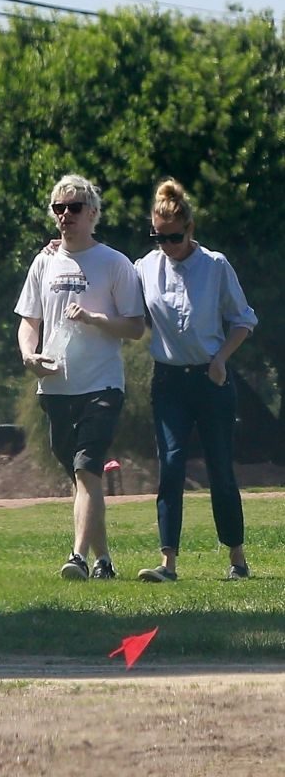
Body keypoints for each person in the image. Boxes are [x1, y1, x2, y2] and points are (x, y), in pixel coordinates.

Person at [14, 174, 145, 580]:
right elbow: (27, 321)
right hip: (55, 386)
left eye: (73, 208)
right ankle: (104, 562)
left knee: (87, 468)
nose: (65, 215)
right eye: (59, 208)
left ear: (92, 213)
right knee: (81, 477)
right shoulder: (44, 261)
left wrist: (93, 318)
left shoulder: (114, 263)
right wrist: (28, 354)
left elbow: (136, 327)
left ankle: (78, 557)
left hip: (102, 384)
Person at [135, 178, 258, 582]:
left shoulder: (215, 265)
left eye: (173, 237)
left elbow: (243, 320)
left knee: (221, 468)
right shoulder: (145, 267)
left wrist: (221, 358)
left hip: (211, 378)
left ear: (189, 230)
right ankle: (167, 562)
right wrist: (58, 251)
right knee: (170, 466)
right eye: (158, 237)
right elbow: (115, 286)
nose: (166, 246)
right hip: (169, 381)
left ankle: (237, 558)